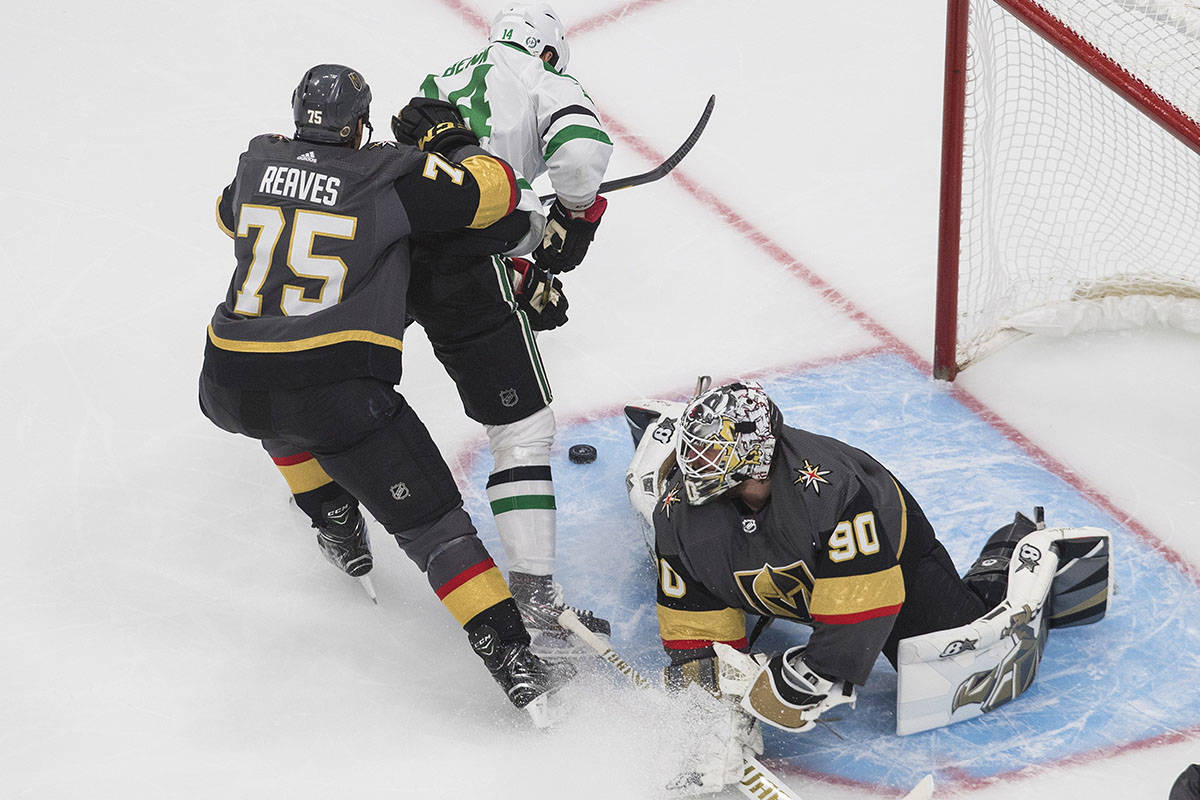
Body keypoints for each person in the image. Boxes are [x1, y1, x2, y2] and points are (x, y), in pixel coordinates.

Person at [199, 63, 572, 717]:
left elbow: (229, 217)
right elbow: (496, 190)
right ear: (361, 122)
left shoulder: (258, 159)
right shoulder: (385, 174)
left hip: (228, 377)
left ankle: (334, 518)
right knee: (435, 527)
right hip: (334, 389)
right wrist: (451, 141)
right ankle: (514, 657)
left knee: (276, 406)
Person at [266, 3, 614, 658]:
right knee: (520, 429)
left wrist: (512, 264)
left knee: (309, 369)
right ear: (549, 49)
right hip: (467, 260)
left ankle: (328, 509)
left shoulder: (443, 76)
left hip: (390, 247)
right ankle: (534, 595)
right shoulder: (550, 82)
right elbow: (580, 157)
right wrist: (573, 212)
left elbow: (427, 174)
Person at [623, 379, 1111, 794]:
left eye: (711, 454)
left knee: (959, 665)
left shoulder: (836, 492)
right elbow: (691, 613)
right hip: (779, 571)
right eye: (693, 452)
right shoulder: (680, 512)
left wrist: (811, 674)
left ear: (753, 454)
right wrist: (710, 702)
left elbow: (862, 607)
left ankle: (1013, 546)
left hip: (892, 563)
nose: (696, 469)